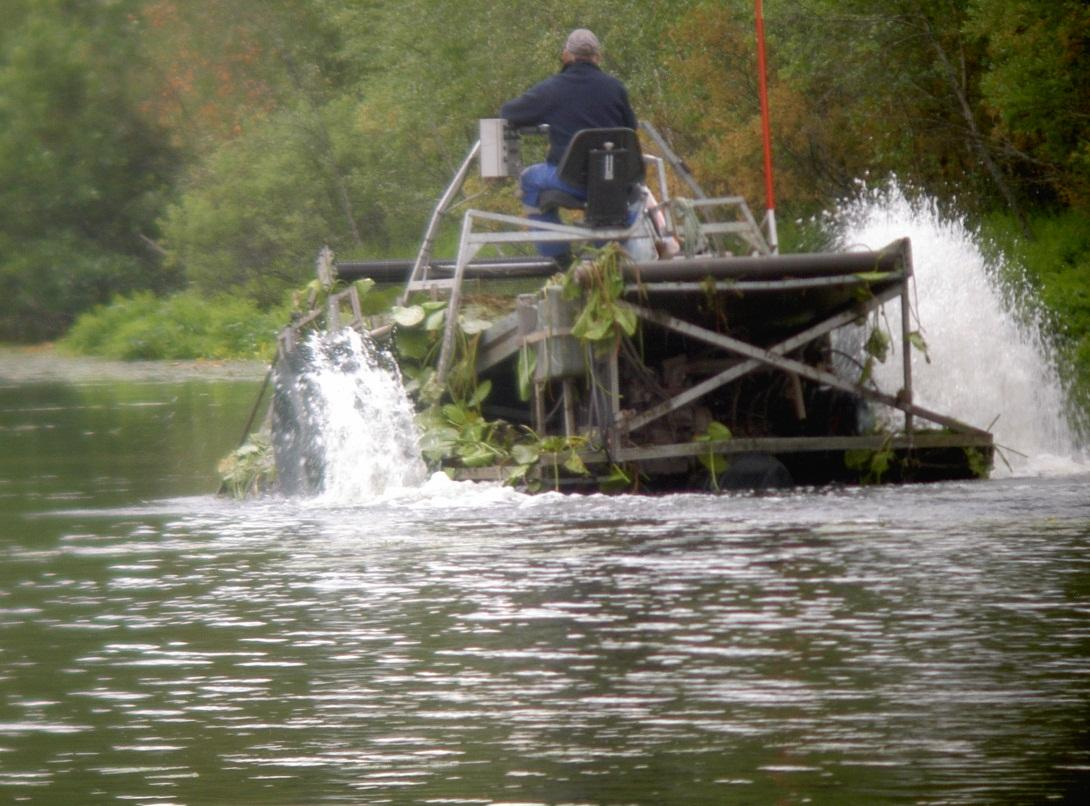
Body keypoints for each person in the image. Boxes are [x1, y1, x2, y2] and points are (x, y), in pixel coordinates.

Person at [500, 28, 638, 257]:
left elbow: (508, 112)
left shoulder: (552, 89)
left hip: (572, 181)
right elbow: (630, 129)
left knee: (528, 180)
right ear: (598, 57)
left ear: (567, 55)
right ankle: (615, 251)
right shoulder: (616, 88)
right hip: (614, 178)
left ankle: (557, 256)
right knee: (628, 191)